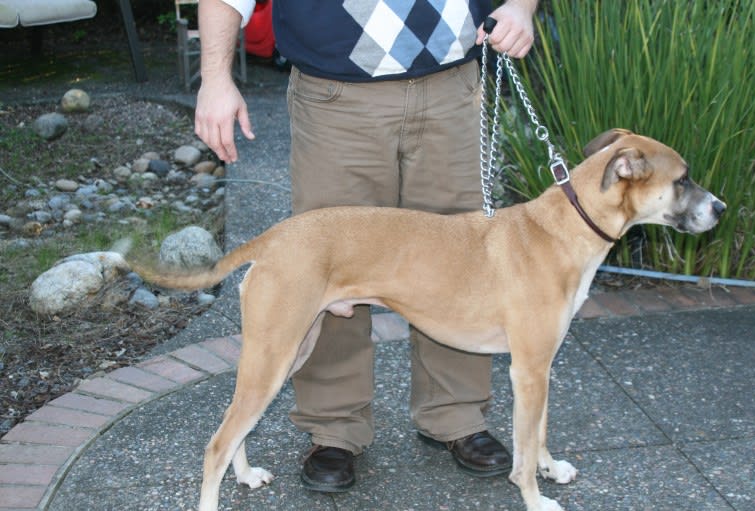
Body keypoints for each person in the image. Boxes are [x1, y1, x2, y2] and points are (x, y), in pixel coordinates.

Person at [195, 0, 538, 493]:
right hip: (337, 95)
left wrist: (522, 7)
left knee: (463, 265)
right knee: (325, 270)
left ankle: (456, 415)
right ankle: (334, 428)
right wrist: (214, 77)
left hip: (452, 85)